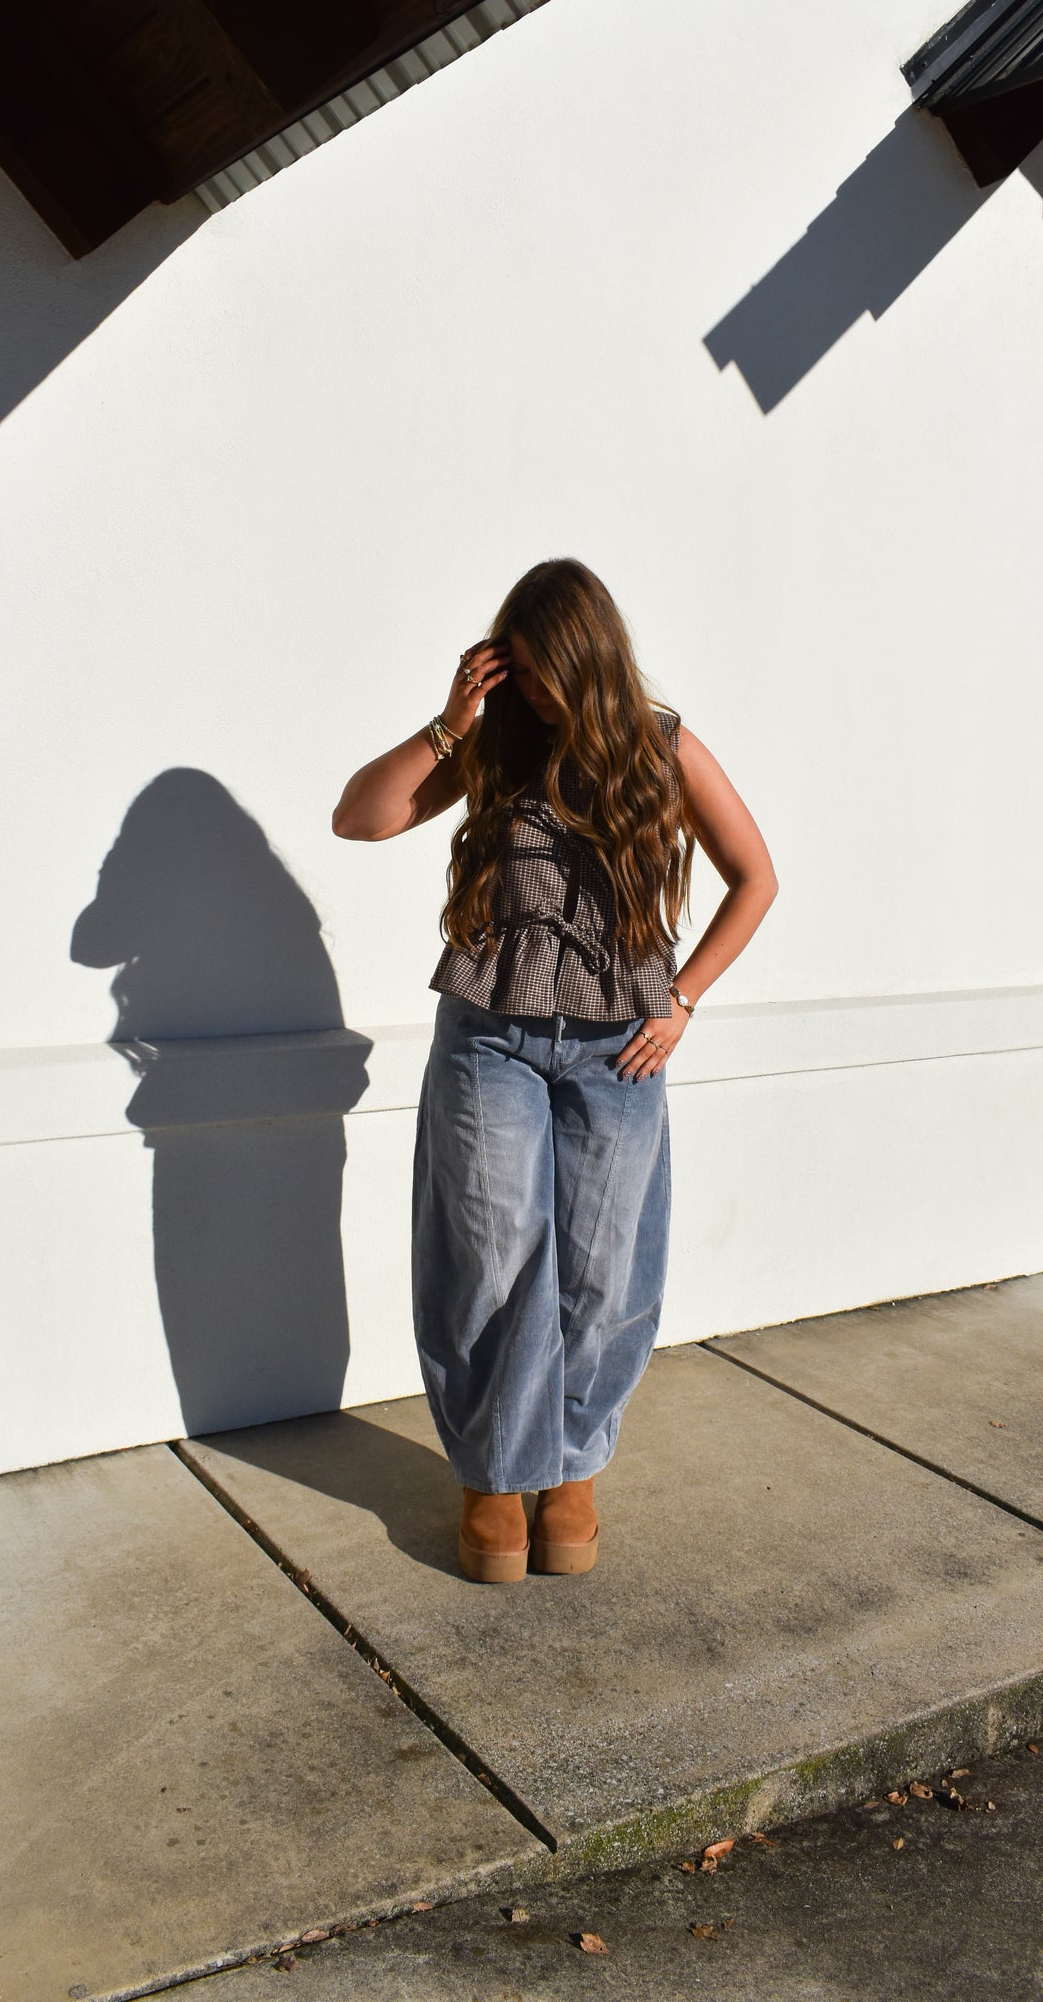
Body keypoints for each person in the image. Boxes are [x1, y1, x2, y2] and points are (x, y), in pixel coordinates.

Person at [332, 560, 776, 1582]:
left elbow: (755, 876)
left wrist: (684, 995)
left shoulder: (662, 745)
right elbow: (358, 815)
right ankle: (495, 1473)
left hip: (618, 1045)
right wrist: (452, 720)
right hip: (488, 1035)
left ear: (592, 657)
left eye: (547, 673)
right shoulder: (494, 743)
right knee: (489, 1256)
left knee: (600, 1265)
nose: (535, 693)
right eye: (519, 672)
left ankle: (569, 1464)